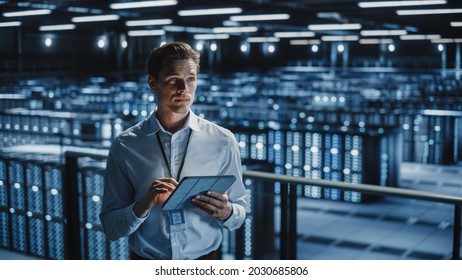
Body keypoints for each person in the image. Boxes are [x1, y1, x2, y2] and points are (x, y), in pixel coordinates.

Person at [99, 42, 248, 260]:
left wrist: (227, 212)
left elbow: (240, 214)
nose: (183, 89)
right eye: (173, 79)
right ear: (153, 82)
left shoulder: (223, 141)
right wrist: (142, 206)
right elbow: (112, 227)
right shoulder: (126, 146)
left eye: (190, 79)